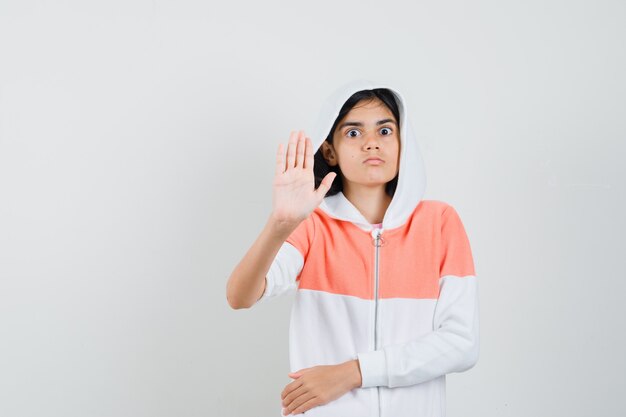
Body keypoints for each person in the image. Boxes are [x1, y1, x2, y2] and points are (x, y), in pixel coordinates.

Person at [226, 80, 479, 417]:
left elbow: (462, 343)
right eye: (354, 133)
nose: (372, 144)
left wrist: (353, 373)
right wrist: (279, 225)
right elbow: (240, 296)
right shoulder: (313, 226)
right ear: (330, 151)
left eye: (385, 131)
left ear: (404, 142)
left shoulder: (439, 222)